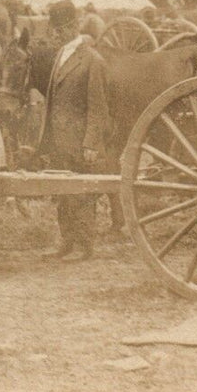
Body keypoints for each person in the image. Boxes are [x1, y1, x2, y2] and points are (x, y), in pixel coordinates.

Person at [41, 26, 110, 261]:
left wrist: (91, 143)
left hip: (80, 140)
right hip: (59, 139)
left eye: (57, 29)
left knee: (81, 193)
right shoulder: (61, 54)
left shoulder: (93, 60)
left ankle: (84, 245)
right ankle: (67, 242)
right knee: (63, 192)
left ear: (69, 26)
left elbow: (98, 106)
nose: (54, 34)